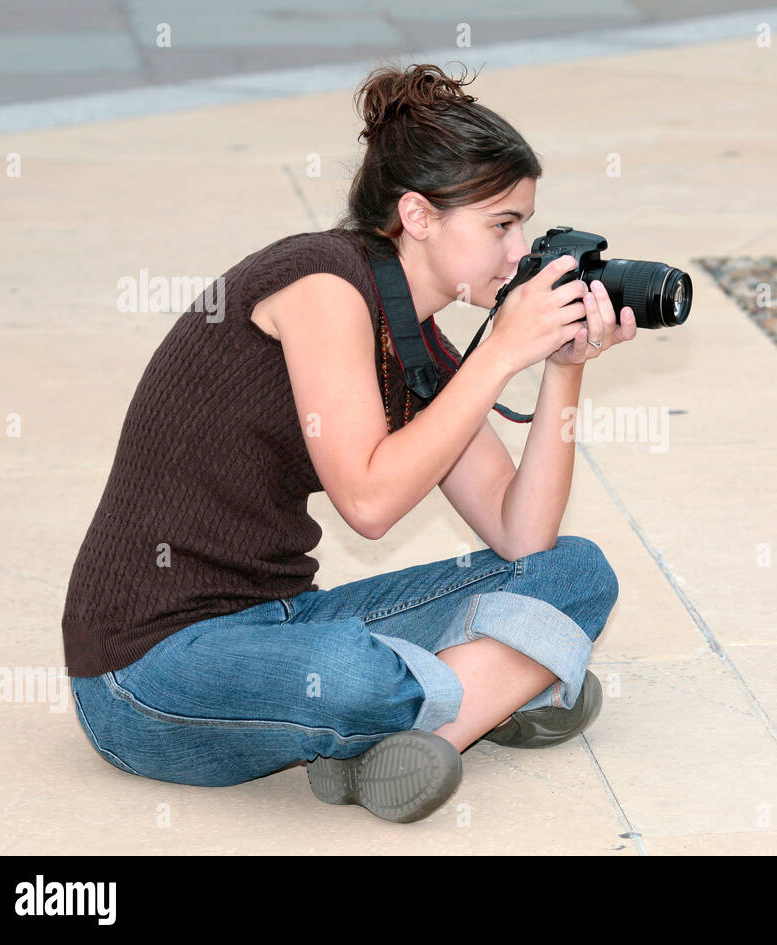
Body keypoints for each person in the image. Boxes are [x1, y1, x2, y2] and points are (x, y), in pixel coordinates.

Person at [62, 61, 637, 824]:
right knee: (347, 674)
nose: (518, 251)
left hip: (280, 622)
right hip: (148, 671)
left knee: (575, 569)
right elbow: (368, 501)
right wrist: (499, 351)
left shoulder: (419, 341)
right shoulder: (322, 284)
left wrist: (563, 368)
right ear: (419, 215)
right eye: (502, 224)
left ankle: (418, 733)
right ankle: (507, 683)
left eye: (524, 224)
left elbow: (521, 535)